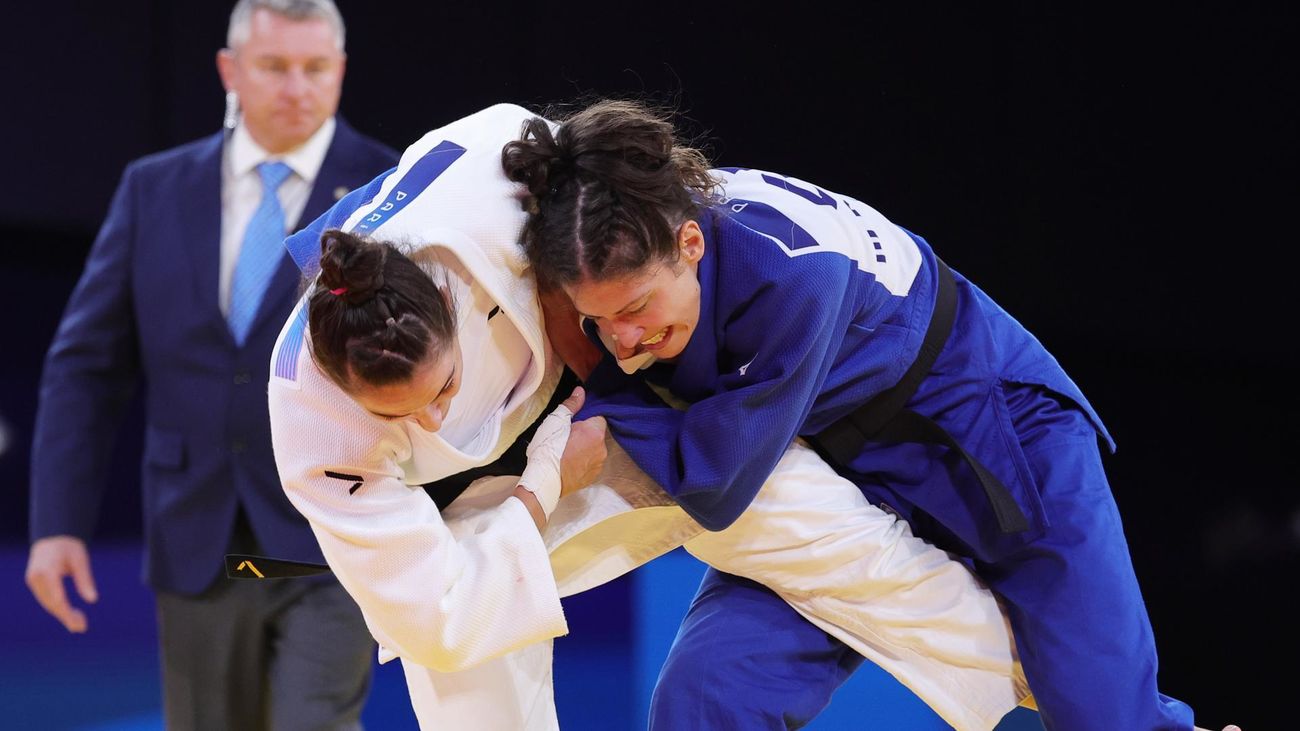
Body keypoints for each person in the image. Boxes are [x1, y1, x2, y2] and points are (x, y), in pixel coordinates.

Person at [271, 102, 1043, 731]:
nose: (435, 419)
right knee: (458, 660)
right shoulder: (314, 424)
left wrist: (616, 371)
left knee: (809, 520)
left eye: (444, 388)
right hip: (471, 526)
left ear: (445, 296)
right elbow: (435, 613)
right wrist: (541, 485)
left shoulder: (495, 179)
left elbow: (595, 234)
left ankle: (1041, 680)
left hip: (601, 412)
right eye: (402, 415)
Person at [501, 100, 1243, 731]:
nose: (623, 342)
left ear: (691, 244)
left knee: (1106, 715)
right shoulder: (642, 234)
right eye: (598, 322)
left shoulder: (790, 270)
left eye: (634, 309)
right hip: (833, 467)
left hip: (991, 433)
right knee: (705, 695)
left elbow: (719, 481)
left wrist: (595, 415)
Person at [24, 1, 398, 729]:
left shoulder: (389, 190)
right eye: (274, 66)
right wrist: (56, 522)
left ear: (341, 72)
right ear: (230, 70)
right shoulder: (153, 188)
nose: (297, 86)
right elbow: (86, 367)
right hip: (197, 531)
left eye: (315, 68)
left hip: (334, 527)